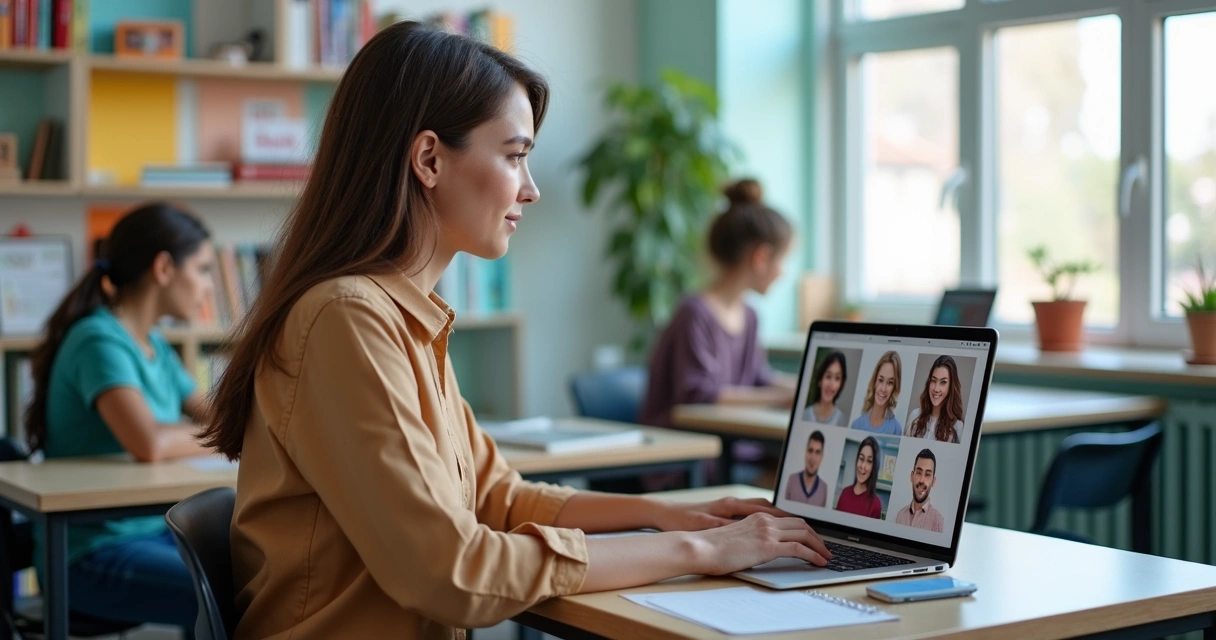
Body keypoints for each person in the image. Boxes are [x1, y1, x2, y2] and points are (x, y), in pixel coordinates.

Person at [200, 22, 831, 639]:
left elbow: (499, 498)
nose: (529, 190)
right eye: (515, 156)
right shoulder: (348, 317)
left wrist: (668, 515)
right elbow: (452, 571)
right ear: (429, 160)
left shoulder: (405, 316)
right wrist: (696, 549)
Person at [24, 203, 215, 631]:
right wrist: (220, 431)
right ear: (164, 268)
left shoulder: (153, 345)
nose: (208, 287)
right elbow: (147, 443)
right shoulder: (97, 339)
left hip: (155, 530)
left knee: (268, 573)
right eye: (203, 269)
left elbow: (214, 413)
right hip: (92, 553)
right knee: (231, 597)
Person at [638, 178, 797, 428]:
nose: (783, 272)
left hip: (732, 449)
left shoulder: (750, 316)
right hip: (690, 456)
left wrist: (808, 387)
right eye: (783, 260)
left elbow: (759, 378)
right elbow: (699, 395)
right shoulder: (694, 314)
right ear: (761, 258)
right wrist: (782, 399)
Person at [904, 355, 964, 443]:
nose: (936, 389)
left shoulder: (958, 427)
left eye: (943, 382)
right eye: (933, 380)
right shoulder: (914, 416)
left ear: (951, 386)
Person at [850, 350, 903, 435]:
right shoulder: (856, 425)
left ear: (894, 387)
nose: (883, 388)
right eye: (881, 380)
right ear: (874, 381)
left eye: (890, 382)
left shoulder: (896, 430)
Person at [894, 449, 945, 533]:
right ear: (912, 476)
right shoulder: (900, 515)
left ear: (933, 481)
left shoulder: (938, 522)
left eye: (927, 474)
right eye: (918, 473)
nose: (921, 480)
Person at [835, 436, 883, 519]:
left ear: (874, 467)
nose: (863, 466)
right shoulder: (844, 493)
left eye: (869, 461)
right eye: (861, 459)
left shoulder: (875, 504)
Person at [784, 430, 830, 506]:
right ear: (805, 452)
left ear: (822, 456)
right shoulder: (792, 480)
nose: (812, 458)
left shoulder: (824, 488)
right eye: (810, 450)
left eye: (817, 452)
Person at [802, 350, 848, 426]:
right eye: (828, 376)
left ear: (841, 385)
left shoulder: (841, 420)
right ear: (820, 380)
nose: (831, 384)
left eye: (837, 378)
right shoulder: (805, 414)